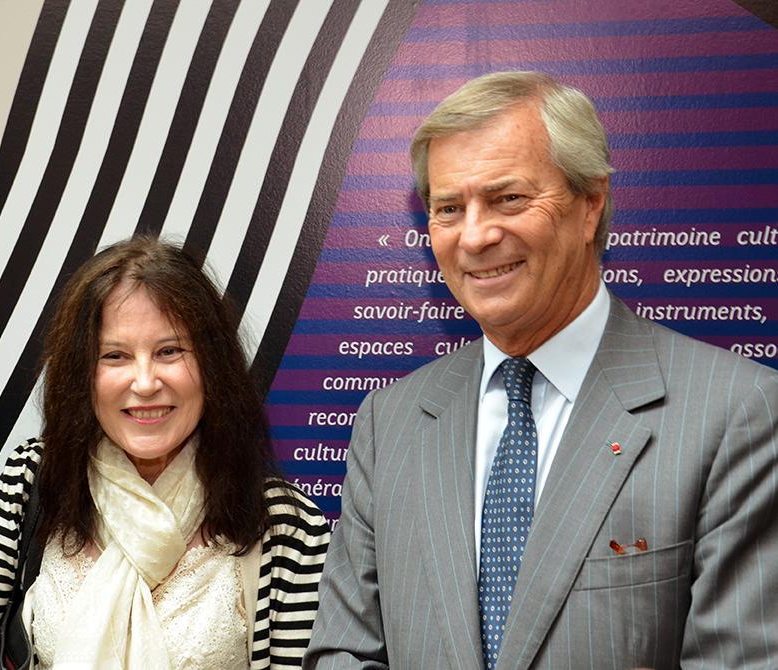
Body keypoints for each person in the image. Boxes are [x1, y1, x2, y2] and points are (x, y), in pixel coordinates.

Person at [304, 71, 778, 669]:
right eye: (449, 208)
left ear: (590, 205)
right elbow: (344, 652)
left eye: (508, 199)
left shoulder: (737, 414)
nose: (476, 236)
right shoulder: (388, 422)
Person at [0, 236, 330, 669]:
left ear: (212, 364)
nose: (146, 382)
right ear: (81, 373)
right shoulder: (35, 477)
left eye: (169, 351)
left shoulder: (285, 524)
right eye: (115, 355)